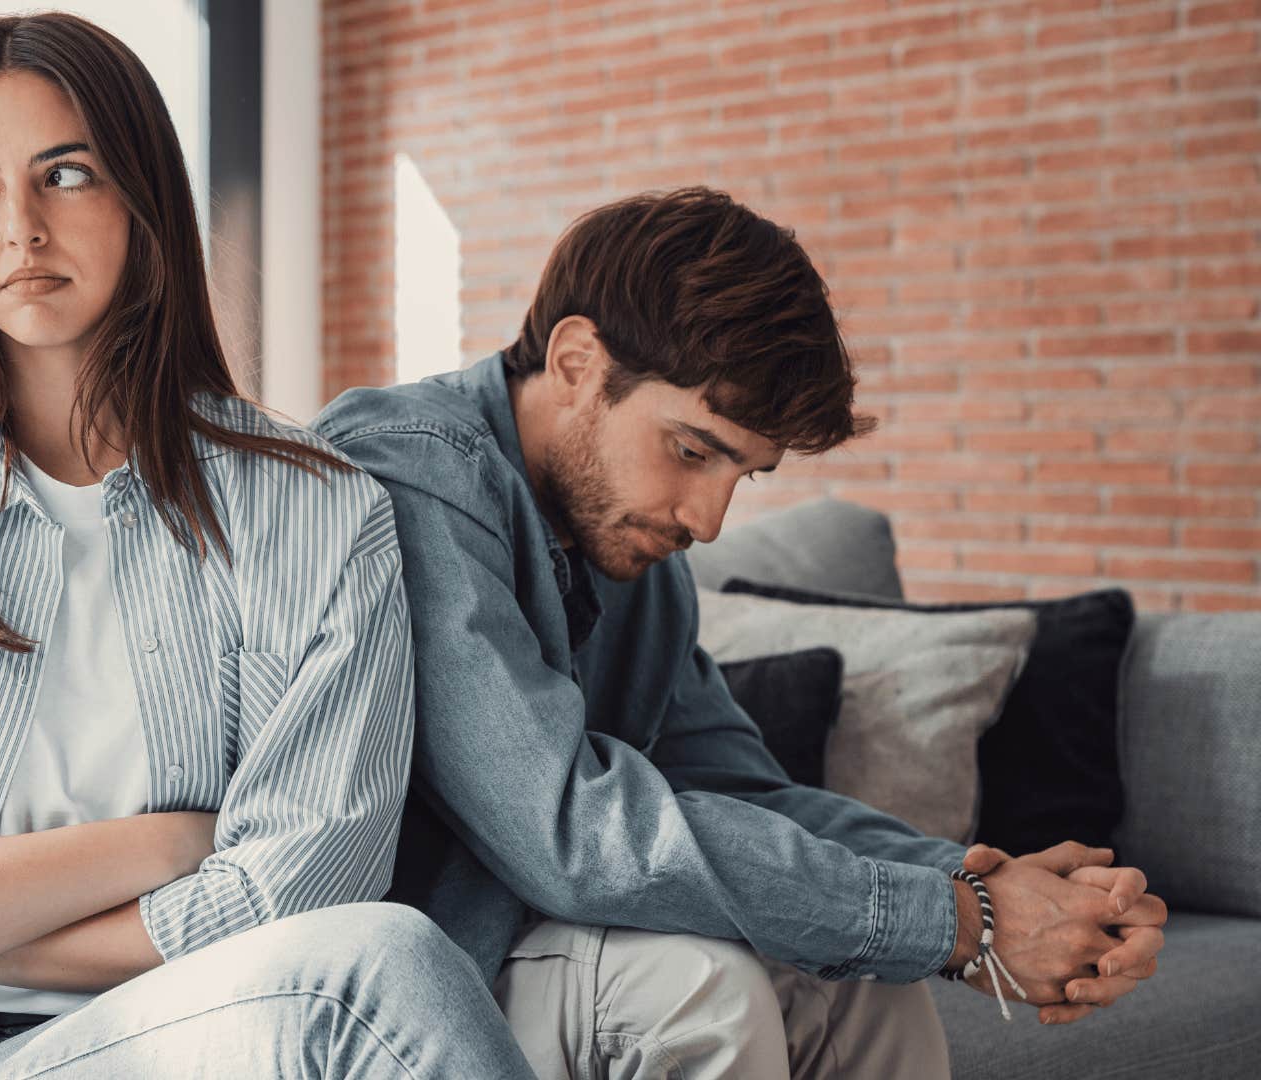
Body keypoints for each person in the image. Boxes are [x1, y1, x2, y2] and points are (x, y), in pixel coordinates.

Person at [0, 13, 536, 1080]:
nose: (20, 229)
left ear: (144, 195)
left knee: (380, 965)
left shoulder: (314, 514)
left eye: (67, 174)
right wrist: (177, 842)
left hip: (175, 1040)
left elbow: (302, 894)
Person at [310, 187, 1170, 1080]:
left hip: (540, 945)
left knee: (868, 982)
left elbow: (746, 793)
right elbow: (567, 830)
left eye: (744, 475)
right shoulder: (411, 469)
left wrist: (988, 885)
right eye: (691, 450)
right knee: (699, 985)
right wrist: (962, 924)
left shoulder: (642, 569)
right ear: (575, 362)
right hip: (401, 983)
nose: (710, 521)